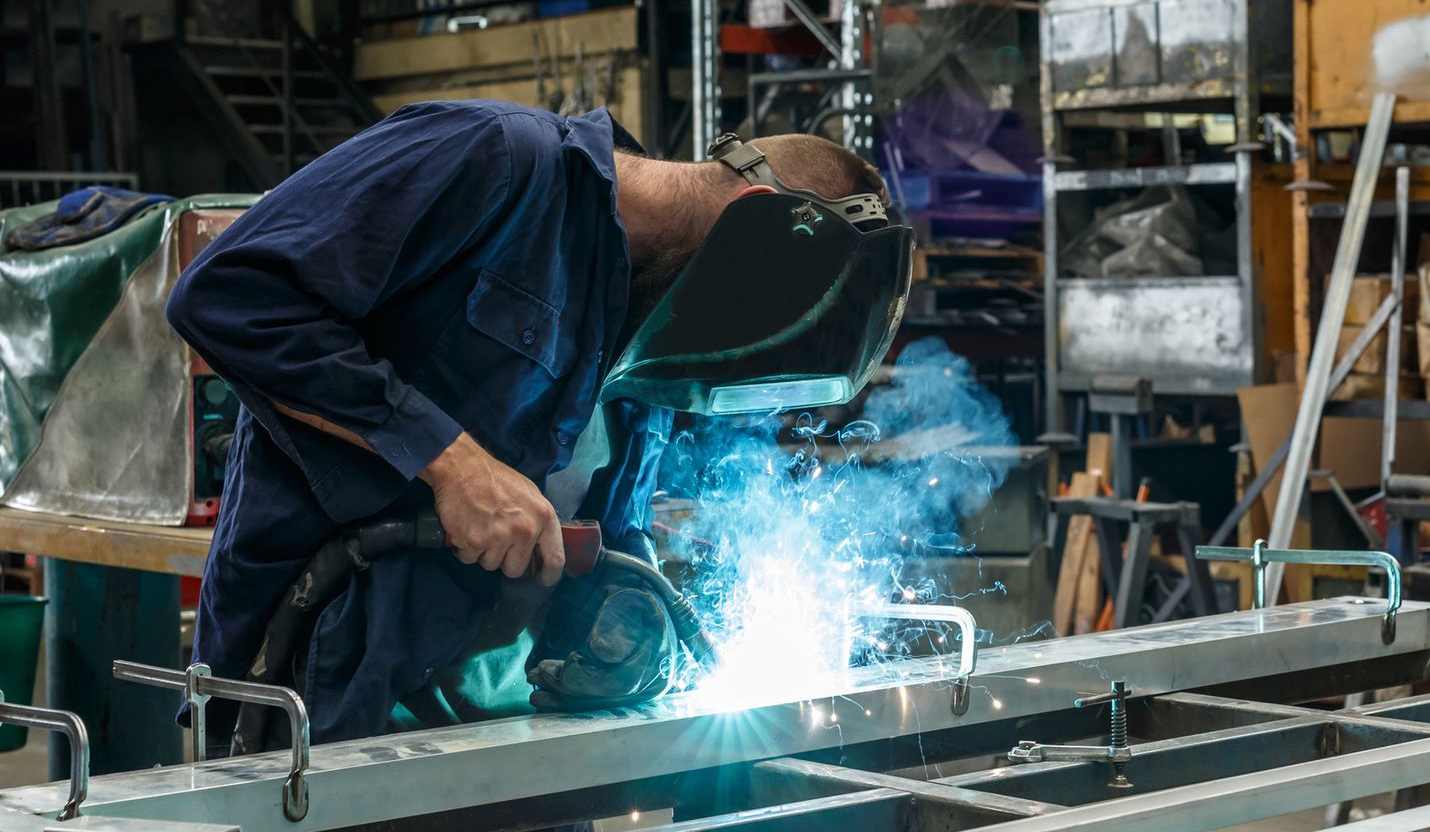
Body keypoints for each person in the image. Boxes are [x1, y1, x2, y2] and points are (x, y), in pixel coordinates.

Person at [166, 100, 897, 747]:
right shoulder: (492, 160)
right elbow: (229, 294)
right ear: (752, 224)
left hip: (520, 733)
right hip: (323, 701)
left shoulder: (658, 336)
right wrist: (452, 463)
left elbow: (600, 530)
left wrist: (630, 626)